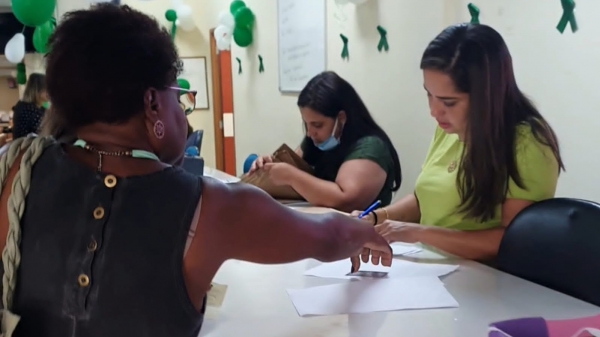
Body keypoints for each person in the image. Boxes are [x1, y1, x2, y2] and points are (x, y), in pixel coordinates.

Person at [0, 5, 391, 337]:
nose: (182, 110)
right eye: (179, 96)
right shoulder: (212, 206)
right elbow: (328, 236)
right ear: (152, 103)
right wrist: (364, 231)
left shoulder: (17, 167)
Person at [354, 23, 564, 261]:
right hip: (433, 267)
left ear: (487, 95)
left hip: (487, 282)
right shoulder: (449, 129)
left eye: (448, 102)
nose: (434, 111)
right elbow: (425, 199)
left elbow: (512, 239)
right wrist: (375, 219)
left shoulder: (529, 144)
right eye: (428, 94)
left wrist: (418, 232)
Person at [250, 71, 402, 212]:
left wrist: (291, 176)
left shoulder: (371, 147)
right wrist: (270, 165)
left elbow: (345, 200)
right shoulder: (316, 140)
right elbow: (294, 165)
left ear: (341, 118)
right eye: (306, 123)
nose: (309, 133)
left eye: (317, 125)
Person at [12, 73, 48, 138]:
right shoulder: (28, 109)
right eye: (47, 89)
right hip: (27, 146)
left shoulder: (39, 108)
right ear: (37, 90)